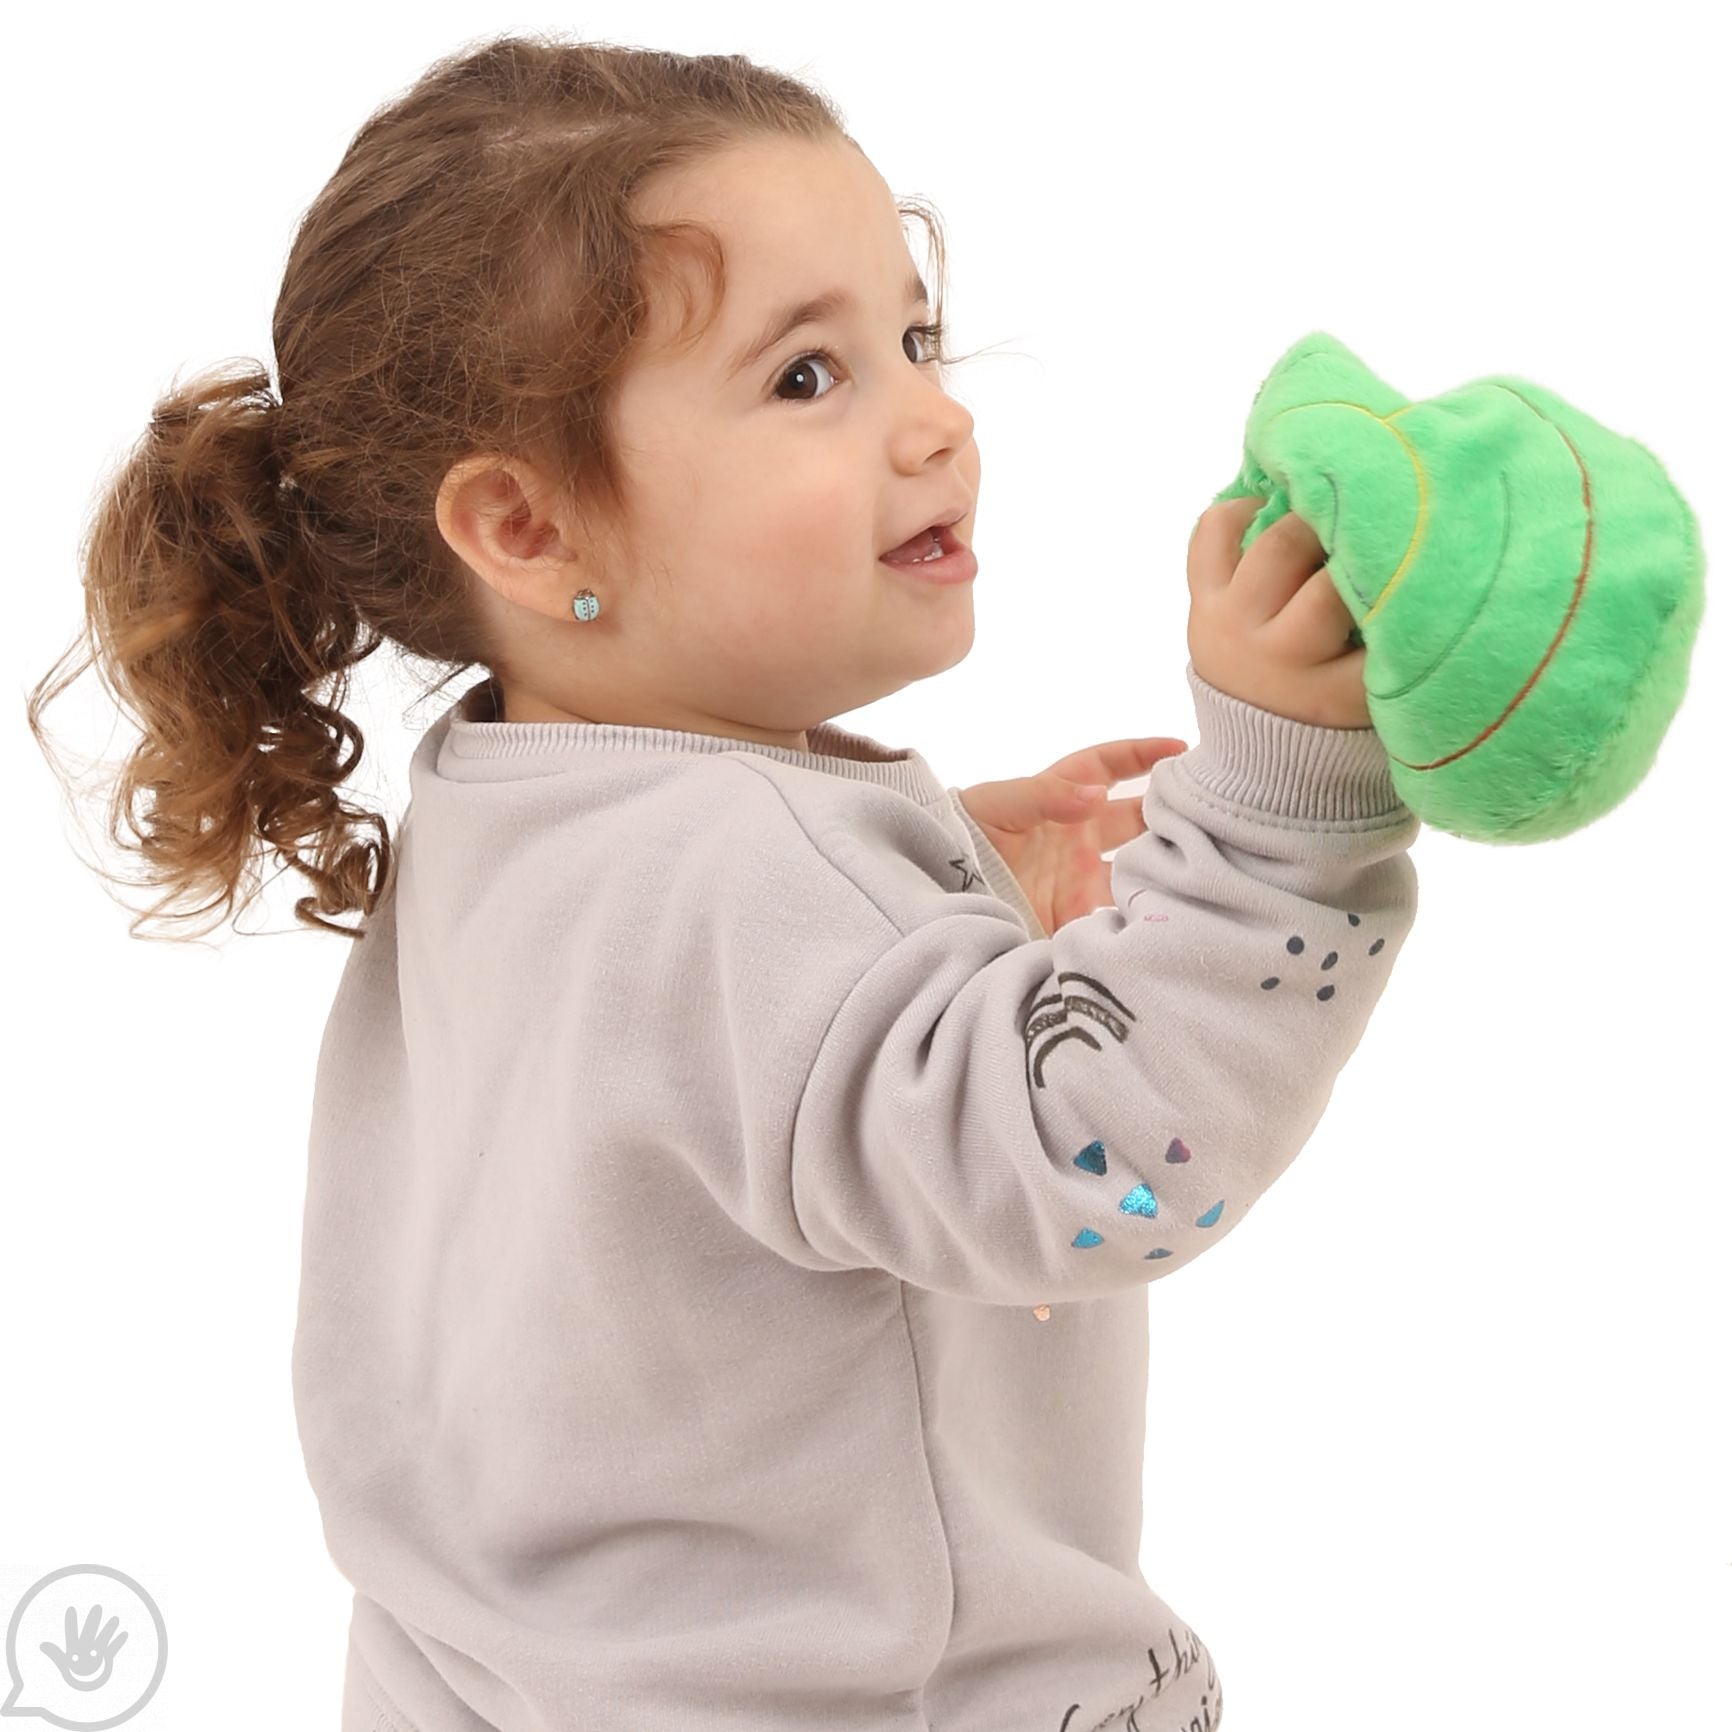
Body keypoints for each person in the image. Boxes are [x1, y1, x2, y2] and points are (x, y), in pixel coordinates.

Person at [26, 31, 1413, 1732]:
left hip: (488, 1678)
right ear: (528, 531)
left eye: (911, 337)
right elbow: (1099, 1168)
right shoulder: (752, 886)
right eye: (807, 380)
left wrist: (942, 872)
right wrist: (1282, 817)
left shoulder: (497, 798)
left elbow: (665, 1045)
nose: (939, 417)